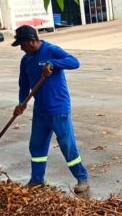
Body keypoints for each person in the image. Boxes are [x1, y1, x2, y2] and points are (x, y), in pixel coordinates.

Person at [12, 25, 89, 193]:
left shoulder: (51, 50)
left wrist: (53, 63)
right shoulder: (26, 60)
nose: (21, 48)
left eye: (23, 44)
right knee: (37, 146)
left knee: (67, 145)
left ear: (32, 41)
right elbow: (23, 85)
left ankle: (82, 178)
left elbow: (74, 62)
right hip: (40, 110)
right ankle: (37, 180)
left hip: (58, 108)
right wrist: (21, 103)